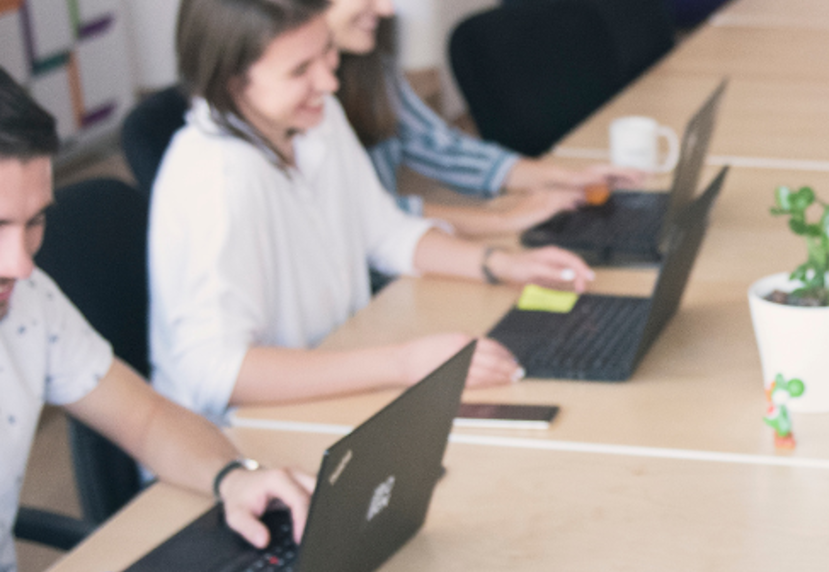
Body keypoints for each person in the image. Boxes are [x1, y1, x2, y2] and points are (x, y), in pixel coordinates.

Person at [0, 67, 314, 572]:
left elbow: (143, 417)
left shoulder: (26, 300)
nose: (20, 260)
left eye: (33, 221)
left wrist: (230, 477)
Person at [149, 0, 594, 426]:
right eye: (299, 71)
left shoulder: (313, 119)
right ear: (230, 82)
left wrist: (502, 263)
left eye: (326, 53)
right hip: (243, 434)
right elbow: (215, 372)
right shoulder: (214, 181)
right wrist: (404, 363)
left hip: (332, 378)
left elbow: (384, 232)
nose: (329, 82)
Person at [329, 0, 643, 238]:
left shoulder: (369, 69)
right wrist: (501, 221)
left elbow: (444, 148)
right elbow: (365, 214)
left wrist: (567, 178)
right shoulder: (298, 107)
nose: (386, 8)